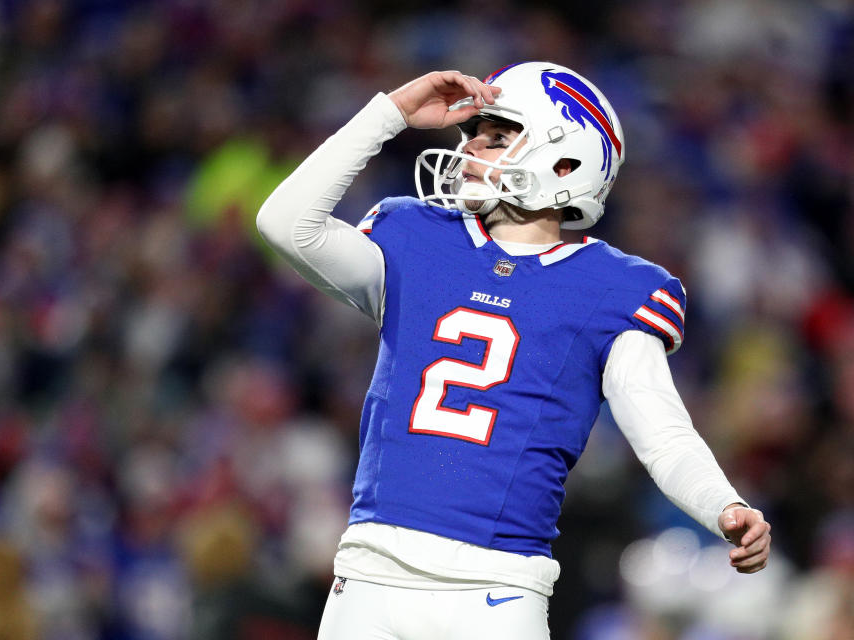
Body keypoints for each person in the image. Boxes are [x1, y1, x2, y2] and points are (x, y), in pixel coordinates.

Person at [256, 62, 772, 640]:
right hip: (370, 572)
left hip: (496, 588)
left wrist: (722, 505)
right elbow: (285, 224)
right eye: (473, 133)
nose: (470, 145)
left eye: (497, 136)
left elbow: (662, 432)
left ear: (566, 163)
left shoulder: (613, 287)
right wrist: (390, 114)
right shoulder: (417, 235)